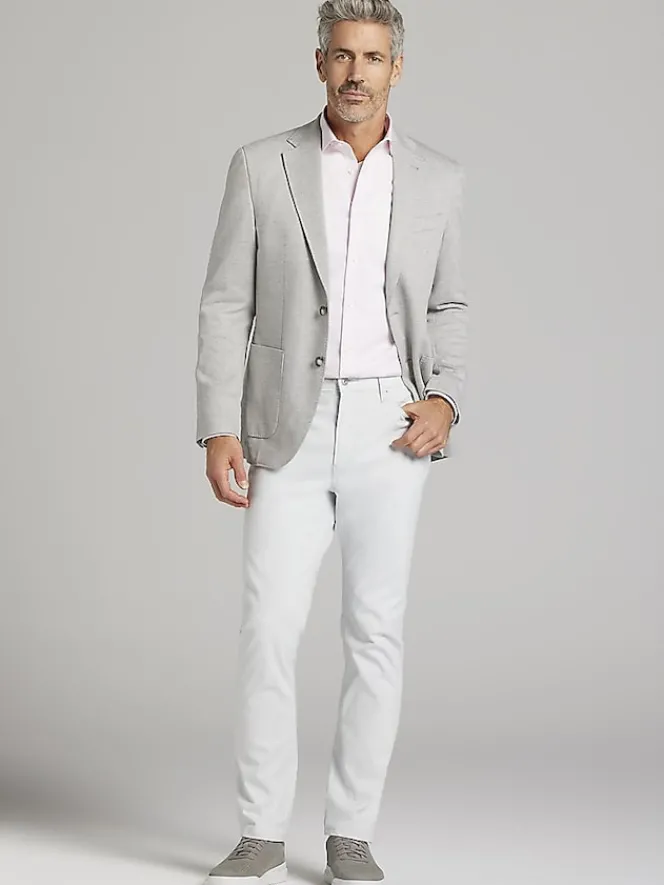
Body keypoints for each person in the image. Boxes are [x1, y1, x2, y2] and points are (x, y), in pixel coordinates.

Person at [195, 1, 468, 881]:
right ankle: (260, 832)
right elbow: (226, 301)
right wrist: (218, 424)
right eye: (342, 56)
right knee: (269, 626)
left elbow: (448, 303)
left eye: (373, 58)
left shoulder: (436, 177)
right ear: (319, 64)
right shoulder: (261, 164)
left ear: (397, 69)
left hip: (392, 424)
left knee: (375, 631)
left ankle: (351, 831)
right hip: (288, 423)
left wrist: (446, 398)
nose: (356, 73)